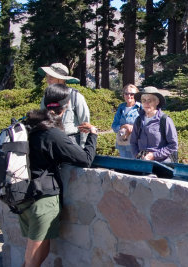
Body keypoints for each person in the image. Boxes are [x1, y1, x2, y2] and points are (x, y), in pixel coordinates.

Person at [18, 83, 98, 267]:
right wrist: (93, 134)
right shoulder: (53, 134)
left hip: (23, 195)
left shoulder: (28, 125)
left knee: (39, 252)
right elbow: (85, 159)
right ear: (66, 106)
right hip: (42, 200)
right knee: (33, 258)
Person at [39, 63, 90, 147]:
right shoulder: (45, 97)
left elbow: (85, 123)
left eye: (51, 78)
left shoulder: (75, 96)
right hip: (50, 142)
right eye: (47, 77)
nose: (47, 80)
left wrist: (83, 148)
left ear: (61, 79)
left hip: (71, 142)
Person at [130, 86, 178, 162]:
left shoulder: (165, 120)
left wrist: (154, 155)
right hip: (143, 164)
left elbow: (173, 145)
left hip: (162, 164)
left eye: (149, 100)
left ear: (157, 102)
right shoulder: (138, 120)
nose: (146, 103)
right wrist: (137, 155)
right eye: (143, 100)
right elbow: (133, 142)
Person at [111, 84, 141, 158]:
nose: (129, 96)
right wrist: (124, 126)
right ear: (123, 95)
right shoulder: (121, 108)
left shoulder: (141, 108)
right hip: (123, 144)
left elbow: (145, 126)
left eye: (132, 94)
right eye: (126, 93)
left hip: (137, 145)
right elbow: (114, 126)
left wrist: (133, 128)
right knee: (125, 166)